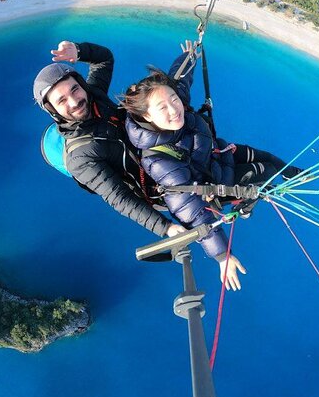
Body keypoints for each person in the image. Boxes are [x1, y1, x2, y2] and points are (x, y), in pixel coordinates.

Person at [121, 43, 303, 291]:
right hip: (212, 184)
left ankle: (295, 175)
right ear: (147, 117)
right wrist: (221, 255)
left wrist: (189, 55)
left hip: (219, 153)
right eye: (162, 108)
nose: (174, 109)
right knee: (264, 172)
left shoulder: (178, 103)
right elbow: (190, 210)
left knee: (267, 158)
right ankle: (246, 202)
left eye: (173, 100)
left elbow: (182, 79)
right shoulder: (159, 160)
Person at [32, 41, 186, 238]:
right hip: (160, 184)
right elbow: (119, 197)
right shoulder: (80, 158)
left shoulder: (95, 96)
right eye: (61, 101)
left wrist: (79, 51)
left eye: (74, 89)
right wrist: (165, 227)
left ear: (81, 84)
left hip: (163, 146)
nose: (74, 101)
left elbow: (104, 60)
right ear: (53, 111)